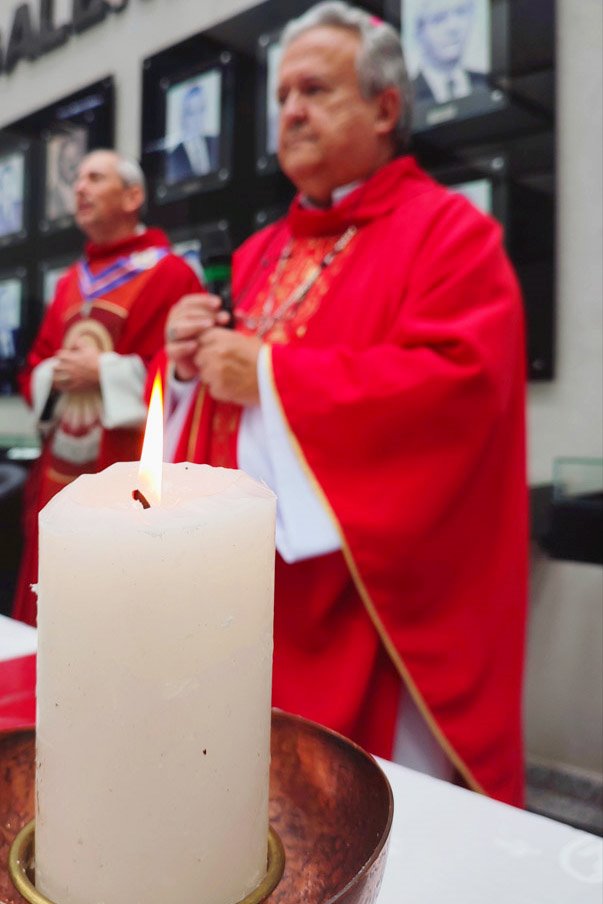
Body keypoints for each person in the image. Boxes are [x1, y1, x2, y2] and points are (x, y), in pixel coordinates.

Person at [156, 1, 527, 807]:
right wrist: (186, 367)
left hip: (365, 607)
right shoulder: (259, 251)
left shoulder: (450, 234)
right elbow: (217, 409)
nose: (289, 110)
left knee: (357, 825)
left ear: (385, 108)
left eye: (315, 90)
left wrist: (271, 378)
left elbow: (457, 392)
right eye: (282, 94)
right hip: (244, 601)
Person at [12, 150, 204, 627]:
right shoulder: (70, 282)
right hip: (60, 468)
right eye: (77, 179)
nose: (79, 188)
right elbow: (35, 364)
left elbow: (185, 373)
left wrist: (105, 372)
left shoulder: (171, 274)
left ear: (133, 196)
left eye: (95, 178)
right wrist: (55, 372)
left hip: (124, 464)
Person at [411, 0, 489, 104]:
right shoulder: (407, 97)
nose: (453, 27)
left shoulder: (486, 82)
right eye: (439, 19)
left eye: (460, 12)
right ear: (419, 33)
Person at [165, 82, 220, 185]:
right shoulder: (173, 158)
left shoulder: (217, 142)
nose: (197, 119)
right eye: (191, 112)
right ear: (183, 116)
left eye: (200, 110)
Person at [46, 130, 87, 222]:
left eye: (74, 162)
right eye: (68, 161)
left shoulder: (81, 190)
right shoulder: (53, 195)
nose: (72, 168)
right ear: (60, 162)